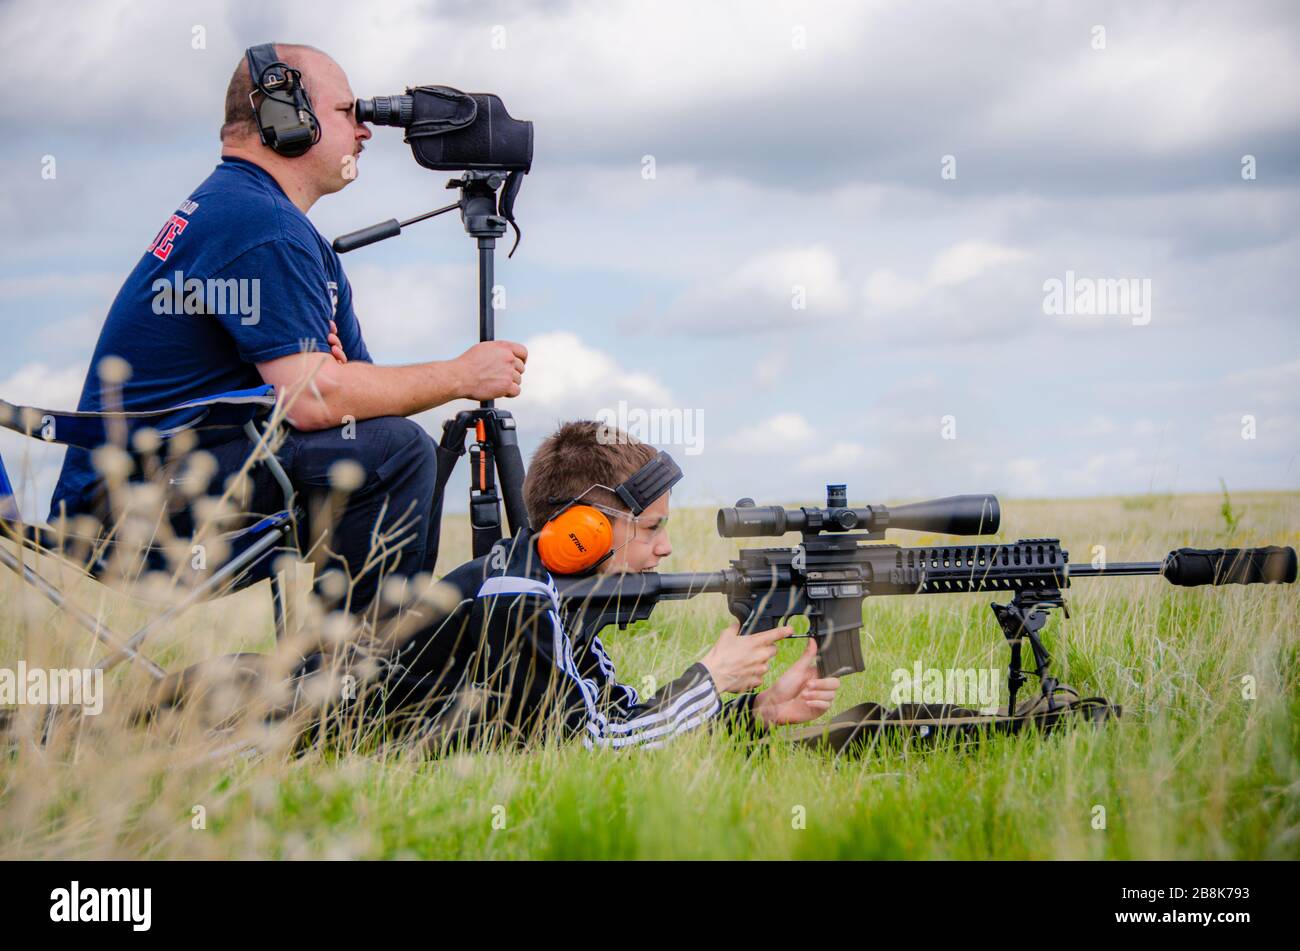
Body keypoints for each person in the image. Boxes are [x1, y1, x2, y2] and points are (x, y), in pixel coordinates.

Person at [48, 43, 526, 611]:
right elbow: (314, 402)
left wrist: (340, 388)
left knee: (381, 443)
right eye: (348, 112)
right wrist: (461, 375)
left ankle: (337, 673)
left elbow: (350, 397)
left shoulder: (270, 222)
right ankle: (366, 678)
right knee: (395, 453)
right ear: (286, 115)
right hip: (126, 513)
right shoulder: (259, 224)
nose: (366, 131)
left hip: (161, 484)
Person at [367, 421, 842, 750]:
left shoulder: (558, 590)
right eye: (652, 527)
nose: (666, 548)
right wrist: (712, 679)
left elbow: (616, 718)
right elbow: (587, 745)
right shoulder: (518, 598)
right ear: (584, 530)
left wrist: (758, 711)